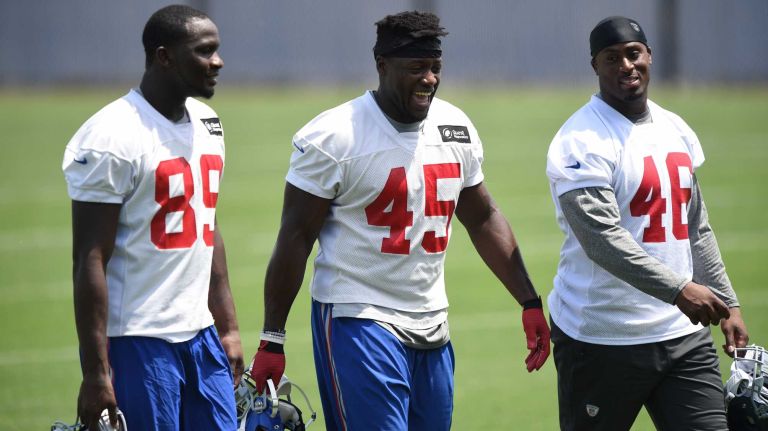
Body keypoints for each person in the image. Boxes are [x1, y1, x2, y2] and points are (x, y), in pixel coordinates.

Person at [248, 10, 550, 430]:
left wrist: (529, 301)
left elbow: (482, 217)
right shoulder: (334, 135)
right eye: (416, 68)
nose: (429, 79)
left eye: (435, 67)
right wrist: (272, 338)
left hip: (433, 321)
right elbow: (295, 237)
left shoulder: (454, 128)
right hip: (359, 316)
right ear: (382, 66)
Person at [545, 16, 750, 431]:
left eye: (633, 53)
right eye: (611, 58)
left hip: (681, 335)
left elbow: (696, 226)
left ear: (649, 55)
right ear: (595, 67)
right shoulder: (580, 140)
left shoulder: (675, 128)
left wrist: (727, 301)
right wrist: (679, 289)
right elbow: (601, 240)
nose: (626, 66)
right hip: (603, 337)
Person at [62, 5, 243, 430]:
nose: (217, 62)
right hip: (139, 340)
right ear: (164, 56)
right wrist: (95, 373)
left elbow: (206, 226)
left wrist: (228, 326)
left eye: (217, 51)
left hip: (201, 335)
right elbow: (90, 257)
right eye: (204, 51)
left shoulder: (208, 123)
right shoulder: (111, 134)